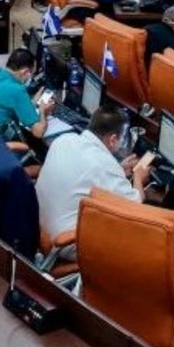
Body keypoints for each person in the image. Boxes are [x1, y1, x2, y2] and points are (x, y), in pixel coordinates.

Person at [35, 104, 154, 247]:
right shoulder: (104, 165)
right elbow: (136, 205)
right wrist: (138, 177)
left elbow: (87, 173)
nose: (122, 143)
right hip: (65, 241)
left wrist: (118, 169)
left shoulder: (64, 139)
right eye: (123, 138)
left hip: (37, 222)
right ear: (113, 139)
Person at [0, 49, 52, 139]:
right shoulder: (17, 90)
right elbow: (38, 132)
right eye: (32, 74)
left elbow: (4, 102)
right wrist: (43, 112)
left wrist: (32, 102)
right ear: (25, 72)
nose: (31, 78)